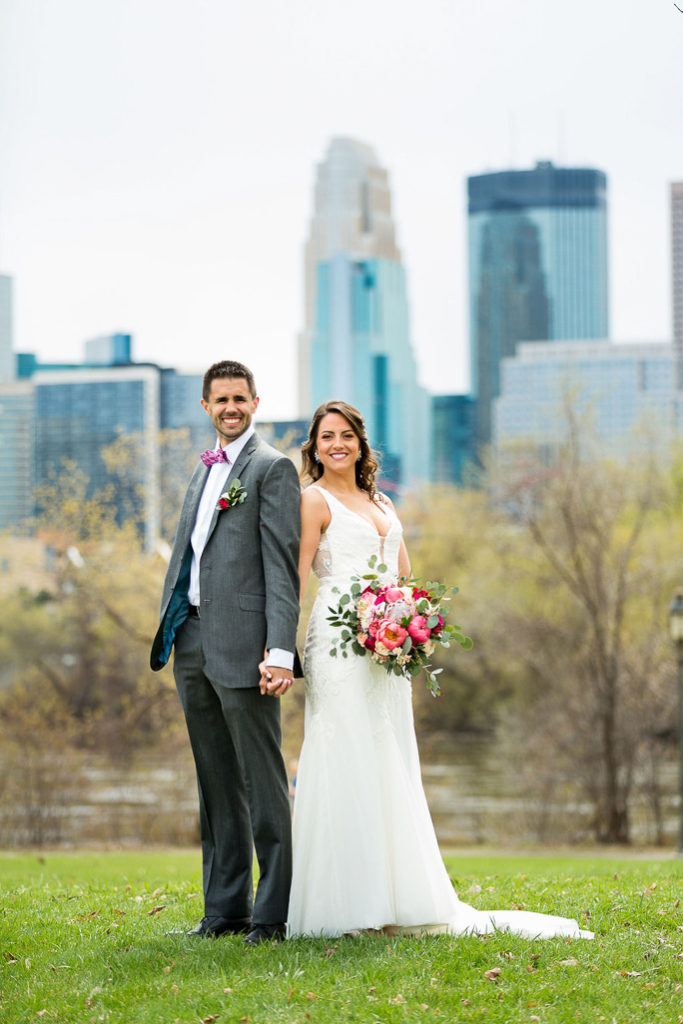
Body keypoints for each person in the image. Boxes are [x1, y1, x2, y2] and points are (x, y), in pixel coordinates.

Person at [282, 399, 593, 941]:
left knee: (387, 754)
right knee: (343, 751)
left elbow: (402, 571)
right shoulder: (313, 500)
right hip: (335, 639)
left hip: (385, 643)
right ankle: (343, 904)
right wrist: (282, 648)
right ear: (315, 446)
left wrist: (402, 616)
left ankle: (396, 896)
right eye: (326, 436)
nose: (337, 444)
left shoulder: (379, 500)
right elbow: (297, 576)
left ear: (360, 442)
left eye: (346, 435)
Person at [151, 359, 301, 946]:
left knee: (262, 784)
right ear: (206, 405)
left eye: (240, 397)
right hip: (189, 640)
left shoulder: (272, 468)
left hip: (246, 647)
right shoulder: (203, 466)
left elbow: (281, 569)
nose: (230, 407)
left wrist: (280, 650)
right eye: (221, 399)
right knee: (215, 783)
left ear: (255, 401)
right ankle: (225, 910)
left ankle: (272, 914)